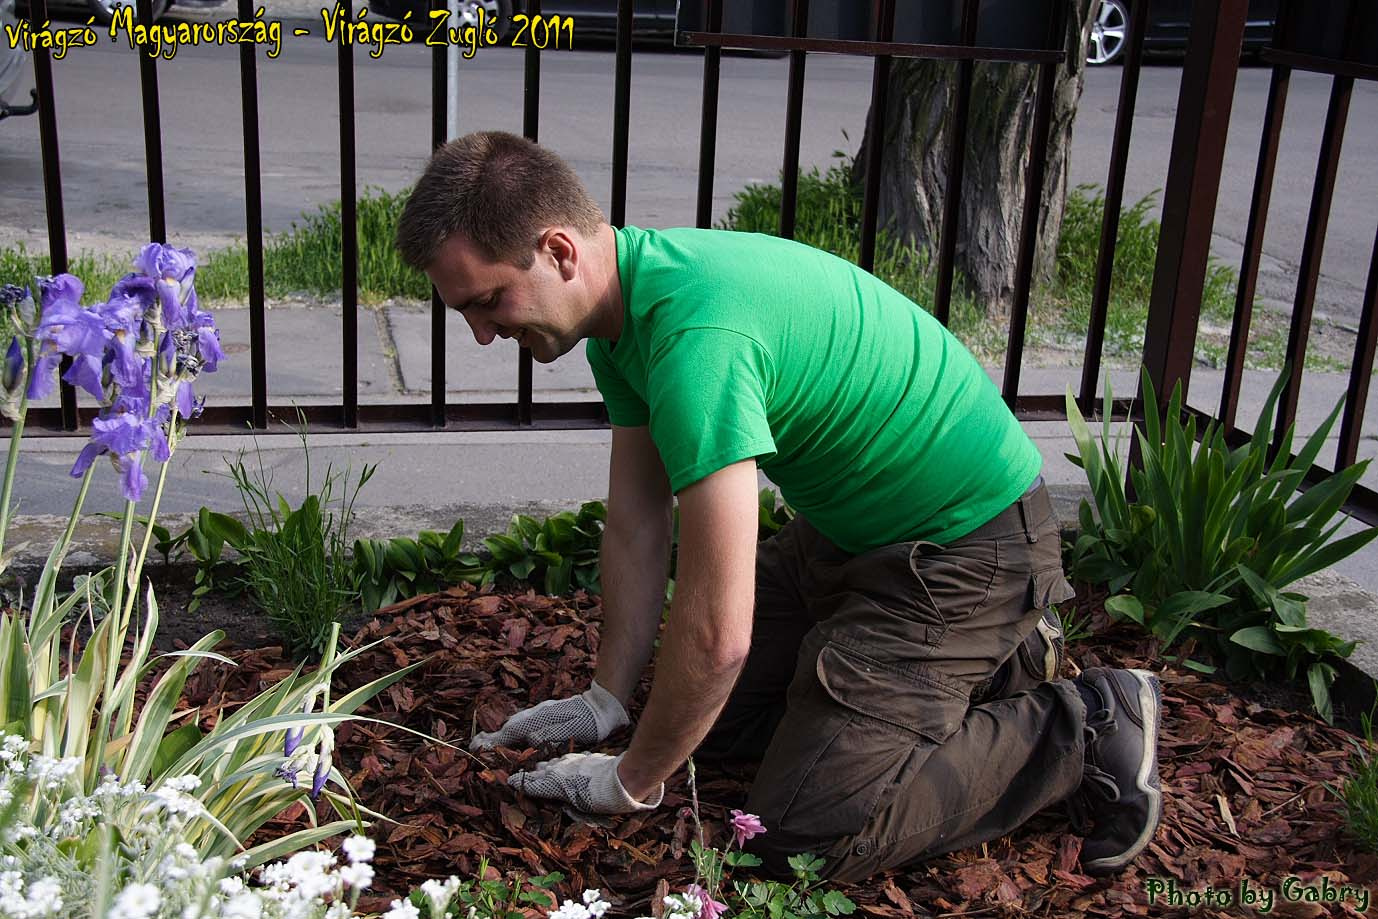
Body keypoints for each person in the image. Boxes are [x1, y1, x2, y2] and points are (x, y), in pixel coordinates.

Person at [394, 130, 1163, 883]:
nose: (483, 334)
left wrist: (630, 781)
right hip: (851, 535)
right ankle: (993, 660)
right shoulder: (625, 315)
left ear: (560, 251)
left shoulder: (698, 339)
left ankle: (1087, 722)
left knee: (797, 833)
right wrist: (606, 702)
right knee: (700, 722)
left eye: (488, 300)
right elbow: (636, 525)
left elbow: (720, 636)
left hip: (968, 549)